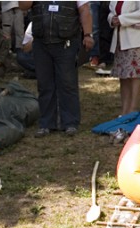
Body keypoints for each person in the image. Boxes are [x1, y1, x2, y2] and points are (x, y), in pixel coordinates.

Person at [19, 1, 94, 138]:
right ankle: (46, 123)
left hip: (67, 42)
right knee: (44, 84)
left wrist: (88, 35)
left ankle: (70, 122)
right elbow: (23, 5)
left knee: (68, 83)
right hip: (41, 43)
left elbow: (85, 10)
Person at [108, 1, 140, 116]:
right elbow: (111, 12)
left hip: (135, 40)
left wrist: (122, 19)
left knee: (134, 76)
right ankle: (124, 111)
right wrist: (112, 19)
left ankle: (132, 111)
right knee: (123, 76)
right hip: (120, 39)